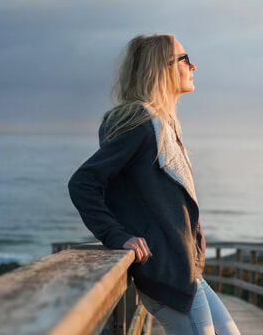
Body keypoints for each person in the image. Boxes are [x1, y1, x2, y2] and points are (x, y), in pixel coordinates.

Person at [68, 34, 239, 335]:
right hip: (167, 275)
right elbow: (83, 183)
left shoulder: (163, 124)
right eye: (186, 59)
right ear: (163, 68)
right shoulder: (143, 124)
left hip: (185, 272)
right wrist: (116, 235)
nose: (194, 66)